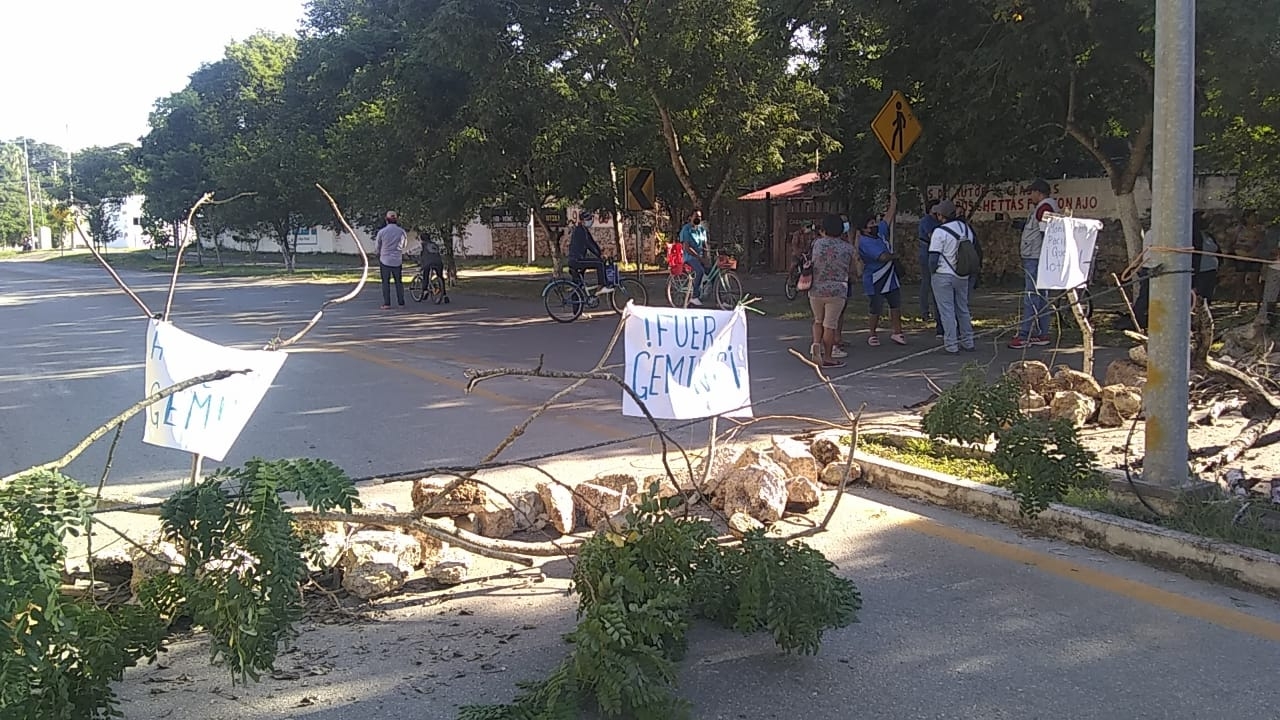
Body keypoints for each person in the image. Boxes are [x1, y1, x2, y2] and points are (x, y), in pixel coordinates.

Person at [1009, 178, 1060, 348]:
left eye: (1031, 193)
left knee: (1031, 296)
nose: (1030, 196)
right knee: (1041, 296)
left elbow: (1046, 233)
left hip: (1036, 257)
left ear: (1039, 193)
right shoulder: (1045, 207)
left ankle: (1025, 334)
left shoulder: (1044, 208)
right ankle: (1042, 332)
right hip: (1039, 256)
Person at [854, 199, 906, 346]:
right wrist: (895, 256)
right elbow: (882, 257)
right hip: (874, 278)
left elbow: (888, 218)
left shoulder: (880, 233)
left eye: (874, 222)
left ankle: (897, 332)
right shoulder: (865, 242)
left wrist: (893, 203)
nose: (875, 225)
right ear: (864, 229)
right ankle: (872, 333)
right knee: (875, 307)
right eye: (871, 224)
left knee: (895, 305)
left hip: (890, 276)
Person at [809, 213, 857, 369]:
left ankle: (816, 345)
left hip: (816, 287)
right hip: (837, 289)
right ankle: (828, 356)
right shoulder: (847, 248)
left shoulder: (818, 244)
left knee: (818, 320)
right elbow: (854, 270)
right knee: (830, 324)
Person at [928, 200, 976, 354]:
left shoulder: (939, 232)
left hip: (943, 274)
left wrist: (932, 272)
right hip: (962, 274)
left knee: (947, 311)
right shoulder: (966, 229)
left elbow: (933, 257)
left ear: (941, 215)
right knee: (963, 308)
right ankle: (968, 341)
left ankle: (951, 344)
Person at [567, 211, 611, 295]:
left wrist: (600, 253)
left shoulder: (583, 230)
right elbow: (589, 245)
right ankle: (601, 286)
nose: (591, 221)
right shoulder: (580, 231)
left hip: (576, 260)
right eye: (589, 219)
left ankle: (577, 306)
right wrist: (599, 256)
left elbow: (592, 243)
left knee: (578, 287)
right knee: (599, 263)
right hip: (577, 260)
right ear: (583, 221)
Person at [918, 202, 942, 334]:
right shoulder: (927, 220)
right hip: (926, 252)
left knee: (935, 283)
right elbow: (931, 236)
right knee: (927, 282)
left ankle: (936, 311)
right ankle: (924, 311)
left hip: (934, 252)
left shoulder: (938, 221)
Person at [375, 211, 407, 308]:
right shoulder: (401, 231)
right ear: (396, 220)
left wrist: (378, 253)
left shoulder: (382, 232)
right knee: (398, 282)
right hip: (397, 260)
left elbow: (377, 246)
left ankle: (387, 303)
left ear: (386, 220)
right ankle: (401, 302)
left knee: (385, 282)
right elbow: (404, 245)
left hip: (385, 260)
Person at [679, 209, 709, 306]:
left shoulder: (701, 230)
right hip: (690, 257)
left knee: (711, 271)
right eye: (696, 216)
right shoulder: (686, 230)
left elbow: (704, 245)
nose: (698, 219)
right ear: (690, 217)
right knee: (699, 271)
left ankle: (718, 298)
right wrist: (700, 259)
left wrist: (706, 258)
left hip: (700, 257)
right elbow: (687, 248)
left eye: (700, 217)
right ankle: (694, 296)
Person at [1191, 211, 1219, 305]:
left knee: (1208, 295)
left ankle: (1206, 314)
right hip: (1201, 270)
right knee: (1199, 295)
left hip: (1212, 270)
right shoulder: (1193, 236)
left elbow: (1217, 250)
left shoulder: (1208, 235)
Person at [420, 231, 449, 304]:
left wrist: (421, 263)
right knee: (440, 277)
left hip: (429, 263)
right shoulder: (434, 244)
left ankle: (425, 290)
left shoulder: (424, 245)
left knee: (425, 275)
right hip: (438, 262)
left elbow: (423, 255)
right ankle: (445, 295)